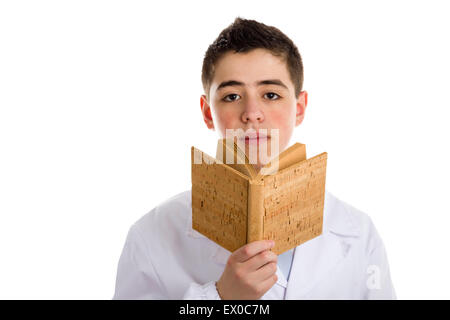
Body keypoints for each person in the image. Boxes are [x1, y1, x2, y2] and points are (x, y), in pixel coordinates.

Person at [112, 17, 396, 300]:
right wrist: (221, 298)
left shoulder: (357, 232)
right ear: (208, 113)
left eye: (271, 94)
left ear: (299, 108)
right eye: (232, 96)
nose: (252, 113)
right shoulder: (151, 235)